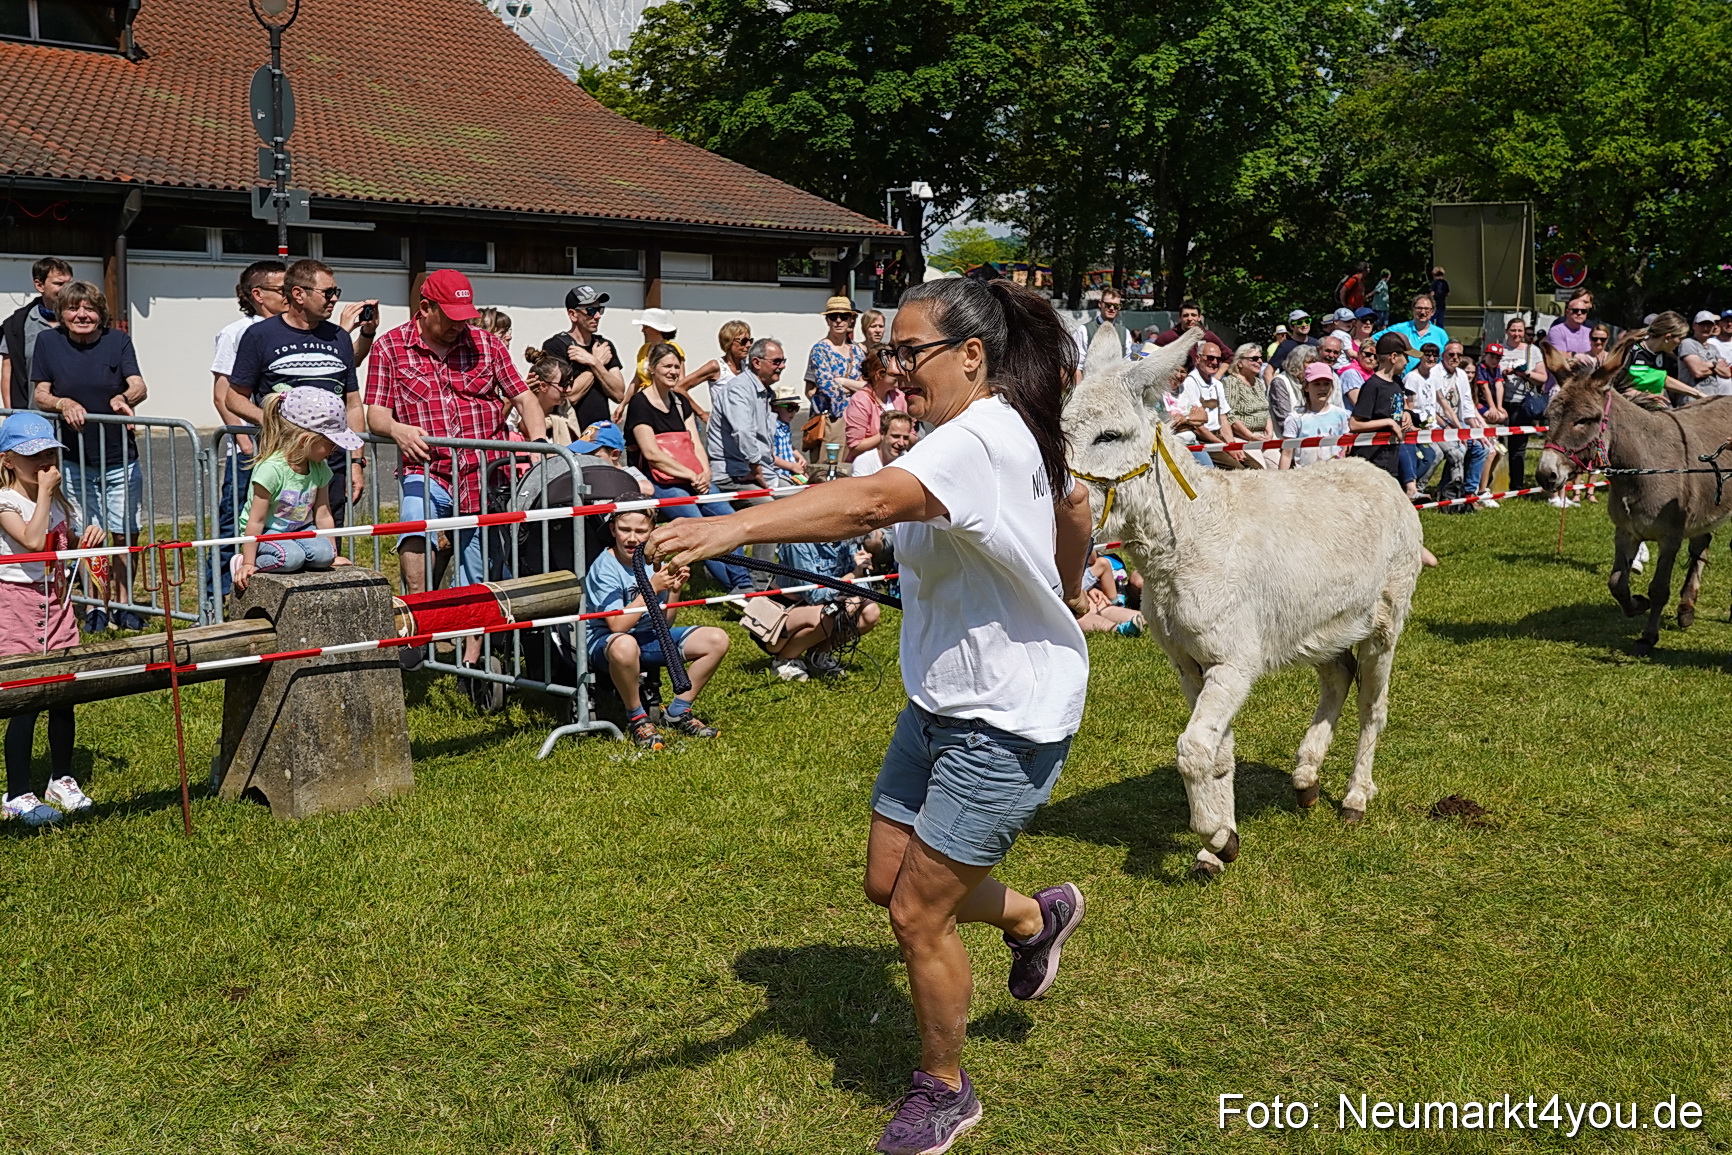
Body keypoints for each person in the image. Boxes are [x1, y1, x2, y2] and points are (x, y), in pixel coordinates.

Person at [645, 276, 1091, 1155]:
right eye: (888, 353)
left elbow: (875, 502)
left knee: (918, 914)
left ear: (973, 356)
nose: (894, 371)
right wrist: (1062, 580)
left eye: (910, 353)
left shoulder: (983, 435)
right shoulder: (958, 438)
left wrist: (727, 530)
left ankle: (945, 1090)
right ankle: (1034, 917)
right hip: (939, 700)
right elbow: (1067, 504)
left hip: (1008, 717)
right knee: (887, 881)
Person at [366, 269, 547, 673]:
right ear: (424, 307)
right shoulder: (390, 347)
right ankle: (416, 617)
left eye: (464, 316)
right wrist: (396, 429)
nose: (458, 326)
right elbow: (375, 413)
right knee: (414, 524)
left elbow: (524, 398)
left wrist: (536, 444)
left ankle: (472, 661)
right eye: (450, 317)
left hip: (484, 473)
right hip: (427, 468)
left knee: (477, 566)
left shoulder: (486, 344)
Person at [0, 411, 106, 827]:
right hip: (17, 605)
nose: (45, 465)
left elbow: (65, 542)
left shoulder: (61, 499)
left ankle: (61, 778)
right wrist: (45, 494)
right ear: (7, 460)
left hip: (56, 602)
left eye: (49, 454)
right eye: (33, 457)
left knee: (64, 694)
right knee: (25, 700)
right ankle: (16, 793)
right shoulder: (6, 502)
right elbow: (29, 543)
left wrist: (88, 537)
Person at [29, 281, 148, 631]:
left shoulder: (118, 340)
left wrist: (125, 398)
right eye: (74, 309)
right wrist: (62, 403)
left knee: (125, 531)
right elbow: (40, 394)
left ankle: (125, 604)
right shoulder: (48, 342)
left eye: (90, 309)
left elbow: (139, 384)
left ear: (101, 313)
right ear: (62, 314)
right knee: (83, 533)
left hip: (119, 455)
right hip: (73, 457)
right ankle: (97, 603)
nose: (83, 315)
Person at [226, 258, 366, 528]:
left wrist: (356, 461)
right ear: (298, 294)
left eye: (336, 292)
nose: (334, 299)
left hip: (330, 459)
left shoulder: (339, 337)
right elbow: (233, 398)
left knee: (327, 544)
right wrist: (277, 423)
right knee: (278, 543)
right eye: (327, 292)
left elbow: (352, 404)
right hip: (282, 462)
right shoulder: (260, 335)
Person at [584, 506, 729, 748]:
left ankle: (678, 711)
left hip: (646, 637)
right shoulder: (605, 567)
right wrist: (651, 588)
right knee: (625, 644)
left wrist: (674, 590)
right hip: (608, 644)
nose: (632, 538)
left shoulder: (654, 562)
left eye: (641, 531)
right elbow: (617, 626)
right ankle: (638, 718)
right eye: (624, 529)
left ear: (653, 532)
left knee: (716, 639)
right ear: (612, 530)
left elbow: (665, 623)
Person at [625, 341, 753, 593]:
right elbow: (652, 454)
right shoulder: (639, 404)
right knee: (698, 526)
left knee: (730, 518)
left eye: (677, 366)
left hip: (692, 476)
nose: (673, 371)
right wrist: (692, 475)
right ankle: (734, 585)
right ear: (651, 368)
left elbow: (695, 441)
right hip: (659, 481)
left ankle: (743, 583)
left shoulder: (681, 402)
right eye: (667, 366)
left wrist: (705, 472)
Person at [209, 259, 286, 599]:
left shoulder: (289, 329)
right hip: (251, 450)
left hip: (284, 452)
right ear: (258, 294)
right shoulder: (235, 332)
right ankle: (218, 597)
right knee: (235, 521)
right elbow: (222, 395)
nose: (290, 296)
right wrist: (244, 442)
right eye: (282, 290)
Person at [233, 389, 360, 590]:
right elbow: (255, 520)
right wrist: (249, 563)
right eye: (330, 443)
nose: (335, 449)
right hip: (268, 532)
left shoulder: (320, 468)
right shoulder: (271, 470)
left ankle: (298, 553)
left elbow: (323, 513)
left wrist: (333, 555)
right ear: (305, 440)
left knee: (324, 555)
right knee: (290, 558)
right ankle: (246, 559)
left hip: (300, 530)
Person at [762, 518, 883, 681]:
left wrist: (860, 574)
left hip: (824, 605)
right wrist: (853, 576)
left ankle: (820, 655)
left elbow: (862, 585)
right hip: (777, 619)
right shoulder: (798, 543)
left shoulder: (848, 538)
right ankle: (783, 660)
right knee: (830, 613)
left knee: (870, 612)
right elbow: (815, 596)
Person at [540, 285, 624, 429]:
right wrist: (595, 364)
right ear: (573, 314)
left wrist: (594, 362)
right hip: (572, 433)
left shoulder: (603, 345)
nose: (597, 316)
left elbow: (619, 394)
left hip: (601, 432)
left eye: (599, 310)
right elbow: (567, 397)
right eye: (591, 311)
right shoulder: (555, 346)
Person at [1, 257, 74, 409]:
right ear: (39, 285)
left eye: (69, 283)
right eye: (59, 284)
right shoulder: (17, 325)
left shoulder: (84, 322)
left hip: (78, 418)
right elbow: (8, 371)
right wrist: (12, 415)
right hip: (34, 418)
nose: (66, 290)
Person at [803, 296, 866, 450]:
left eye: (844, 317)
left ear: (851, 320)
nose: (838, 321)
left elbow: (868, 386)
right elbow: (828, 387)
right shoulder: (820, 350)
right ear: (827, 320)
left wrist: (843, 382)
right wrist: (855, 387)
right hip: (830, 421)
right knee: (828, 469)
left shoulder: (858, 351)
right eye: (833, 316)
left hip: (857, 419)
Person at [1349, 332, 1411, 485]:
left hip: (1390, 455)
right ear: (1394, 357)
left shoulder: (1397, 383)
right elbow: (1354, 424)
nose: (1408, 362)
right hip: (1370, 462)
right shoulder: (1372, 386)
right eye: (1406, 357)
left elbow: (1396, 407)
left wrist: (1406, 413)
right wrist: (1389, 422)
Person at [1432, 342, 1488, 509]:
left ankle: (1469, 494)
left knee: (1481, 447)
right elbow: (1432, 408)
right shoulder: (1434, 373)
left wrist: (1477, 431)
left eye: (1458, 355)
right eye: (1451, 354)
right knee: (1460, 448)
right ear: (1443, 355)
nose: (1455, 358)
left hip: (1458, 423)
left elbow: (1467, 407)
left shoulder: (1462, 375)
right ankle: (1446, 491)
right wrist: (1457, 430)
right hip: (1437, 423)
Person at [672, 319, 750, 423]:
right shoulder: (717, 366)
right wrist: (702, 415)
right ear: (729, 342)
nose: (748, 345)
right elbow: (679, 388)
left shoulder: (747, 367)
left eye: (750, 341)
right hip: (722, 429)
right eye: (743, 341)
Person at [1620, 312, 1704, 404]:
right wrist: (1643, 396)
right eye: (1680, 338)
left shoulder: (1662, 352)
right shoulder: (1630, 351)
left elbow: (1663, 379)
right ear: (1667, 337)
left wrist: (1700, 395)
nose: (1681, 343)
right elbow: (1615, 387)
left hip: (1653, 409)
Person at [1279, 362, 1350, 469]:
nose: (1322, 388)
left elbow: (1344, 448)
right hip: (1306, 477)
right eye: (1317, 384)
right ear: (1306, 387)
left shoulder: (1341, 414)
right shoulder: (1295, 418)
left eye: (1326, 384)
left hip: (1335, 474)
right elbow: (1287, 454)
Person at [844, 344, 908, 462]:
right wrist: (888, 434)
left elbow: (912, 435)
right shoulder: (860, 400)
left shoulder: (900, 397)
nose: (901, 374)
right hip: (867, 464)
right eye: (894, 372)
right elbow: (855, 447)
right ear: (880, 374)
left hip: (896, 463)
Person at [1399, 343, 1445, 497]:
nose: (1431, 358)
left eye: (1435, 355)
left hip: (1433, 425)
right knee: (1435, 454)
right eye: (1427, 354)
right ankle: (1415, 488)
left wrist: (1454, 426)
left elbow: (1441, 401)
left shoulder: (1434, 376)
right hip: (1418, 427)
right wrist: (1414, 428)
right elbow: (1409, 406)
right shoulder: (1412, 377)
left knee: (1456, 451)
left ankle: (1445, 490)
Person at [1223, 343, 1277, 469]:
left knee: (1280, 467)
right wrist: (1250, 436)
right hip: (1243, 438)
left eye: (1260, 358)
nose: (1259, 361)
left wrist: (1269, 431)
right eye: (1254, 359)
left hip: (1263, 436)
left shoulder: (1258, 383)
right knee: (1259, 470)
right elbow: (1230, 415)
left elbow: (1265, 410)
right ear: (1240, 363)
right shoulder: (1231, 382)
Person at [519, 348, 584, 445]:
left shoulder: (566, 409)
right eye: (564, 384)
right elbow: (526, 430)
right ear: (544, 386)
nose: (569, 390)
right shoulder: (518, 407)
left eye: (571, 383)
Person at [1377, 292, 1449, 377]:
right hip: (1401, 382)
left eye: (1426, 309)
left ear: (1432, 312)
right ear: (1413, 310)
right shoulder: (1399, 329)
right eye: (1419, 308)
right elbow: (1372, 341)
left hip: (1430, 382)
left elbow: (1447, 360)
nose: (1422, 312)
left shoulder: (1441, 334)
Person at [572, 421, 652, 495]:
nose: (587, 461)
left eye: (594, 457)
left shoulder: (628, 473)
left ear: (615, 455)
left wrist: (609, 483)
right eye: (583, 455)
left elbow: (648, 489)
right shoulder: (583, 475)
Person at [1150, 300, 1230, 368]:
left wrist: (1218, 376)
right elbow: (1149, 357)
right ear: (1180, 317)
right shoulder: (1169, 337)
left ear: (1199, 317)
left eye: (1193, 315)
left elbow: (1229, 356)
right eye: (1185, 315)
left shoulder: (1208, 336)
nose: (1189, 319)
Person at [767, 377, 809, 485]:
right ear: (776, 407)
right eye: (790, 408)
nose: (793, 413)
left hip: (790, 472)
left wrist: (799, 456)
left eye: (796, 408)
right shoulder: (771, 427)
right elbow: (767, 455)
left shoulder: (785, 425)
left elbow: (788, 445)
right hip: (777, 473)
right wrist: (791, 466)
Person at [850, 409, 916, 478]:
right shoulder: (864, 462)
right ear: (882, 434)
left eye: (905, 438)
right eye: (896, 436)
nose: (901, 443)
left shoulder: (909, 462)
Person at [1681, 311, 1732, 397]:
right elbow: (1698, 372)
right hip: (1692, 399)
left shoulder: (1713, 347)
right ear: (1694, 326)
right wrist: (1715, 365)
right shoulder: (1688, 343)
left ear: (1713, 327)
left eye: (1709, 325)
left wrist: (1706, 364)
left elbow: (1727, 373)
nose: (1706, 328)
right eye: (1702, 324)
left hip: (1711, 398)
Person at [1546, 290, 1597, 369]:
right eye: (1575, 310)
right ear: (1567, 312)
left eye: (1583, 311)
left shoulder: (1590, 331)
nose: (1579, 313)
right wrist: (1576, 355)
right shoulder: (1557, 330)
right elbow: (1560, 358)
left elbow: (1597, 356)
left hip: (1585, 379)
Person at [1079, 286, 1130, 360]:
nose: (1112, 308)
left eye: (1116, 306)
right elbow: (1077, 365)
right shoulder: (1084, 330)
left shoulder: (1125, 332)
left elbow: (1127, 362)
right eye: (1108, 305)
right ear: (1100, 304)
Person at [1338, 338, 1377, 408]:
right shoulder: (1350, 374)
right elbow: (1360, 405)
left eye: (1375, 356)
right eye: (1368, 354)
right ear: (1358, 354)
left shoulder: (1375, 377)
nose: (1371, 358)